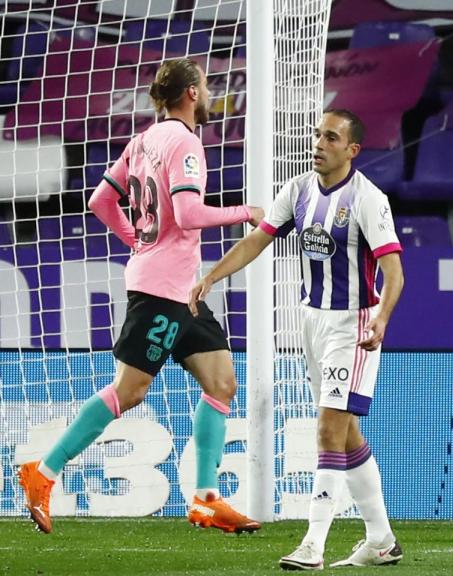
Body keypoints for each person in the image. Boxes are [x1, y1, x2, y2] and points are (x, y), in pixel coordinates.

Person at [17, 58, 264, 534]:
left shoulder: (143, 140)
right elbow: (189, 213)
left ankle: (207, 498)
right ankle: (42, 473)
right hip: (161, 291)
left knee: (221, 383)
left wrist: (136, 240)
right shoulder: (185, 142)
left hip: (180, 288)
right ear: (191, 93)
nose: (210, 95)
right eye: (206, 87)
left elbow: (99, 201)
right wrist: (244, 211)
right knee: (129, 392)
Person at [189, 109, 405, 568]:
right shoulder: (299, 189)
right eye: (317, 135)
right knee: (346, 435)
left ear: (352, 150)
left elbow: (394, 272)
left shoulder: (368, 198)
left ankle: (313, 544)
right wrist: (211, 277)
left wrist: (382, 317)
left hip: (353, 323)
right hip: (310, 321)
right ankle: (381, 540)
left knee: (328, 429)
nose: (319, 143)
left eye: (331, 137)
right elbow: (255, 242)